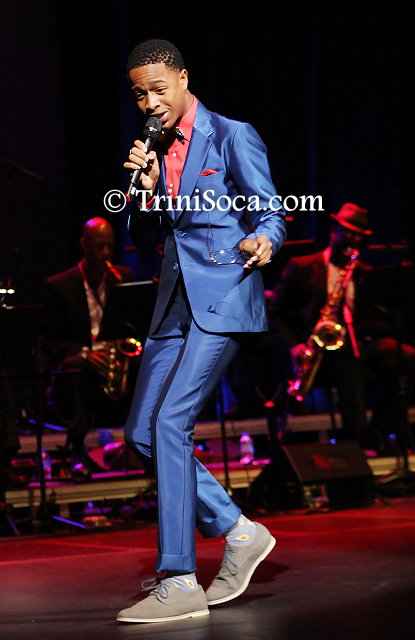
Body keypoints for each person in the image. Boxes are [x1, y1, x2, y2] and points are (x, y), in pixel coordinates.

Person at [116, 39, 287, 624]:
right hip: (172, 303)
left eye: (158, 89)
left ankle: (179, 578)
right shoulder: (152, 147)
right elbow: (142, 236)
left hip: (224, 293)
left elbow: (270, 210)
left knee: (171, 423)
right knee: (142, 432)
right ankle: (239, 531)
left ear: (184, 79)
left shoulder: (232, 135)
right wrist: (142, 189)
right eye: (139, 93)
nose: (149, 102)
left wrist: (266, 239)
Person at [269, 202, 415, 450]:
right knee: (349, 358)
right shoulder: (303, 266)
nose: (352, 239)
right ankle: (355, 437)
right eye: (348, 232)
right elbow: (275, 314)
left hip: (359, 341)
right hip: (323, 350)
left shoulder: (363, 272)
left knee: (408, 357)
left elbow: (378, 316)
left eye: (358, 235)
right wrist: (293, 346)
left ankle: (380, 425)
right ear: (334, 230)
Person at [39, 217, 134, 479]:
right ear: (84, 244)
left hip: (111, 357)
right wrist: (86, 353)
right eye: (99, 246)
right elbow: (49, 342)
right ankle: (77, 448)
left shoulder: (122, 278)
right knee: (77, 367)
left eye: (110, 246)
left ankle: (141, 442)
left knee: (149, 363)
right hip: (81, 359)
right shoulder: (59, 286)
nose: (105, 253)